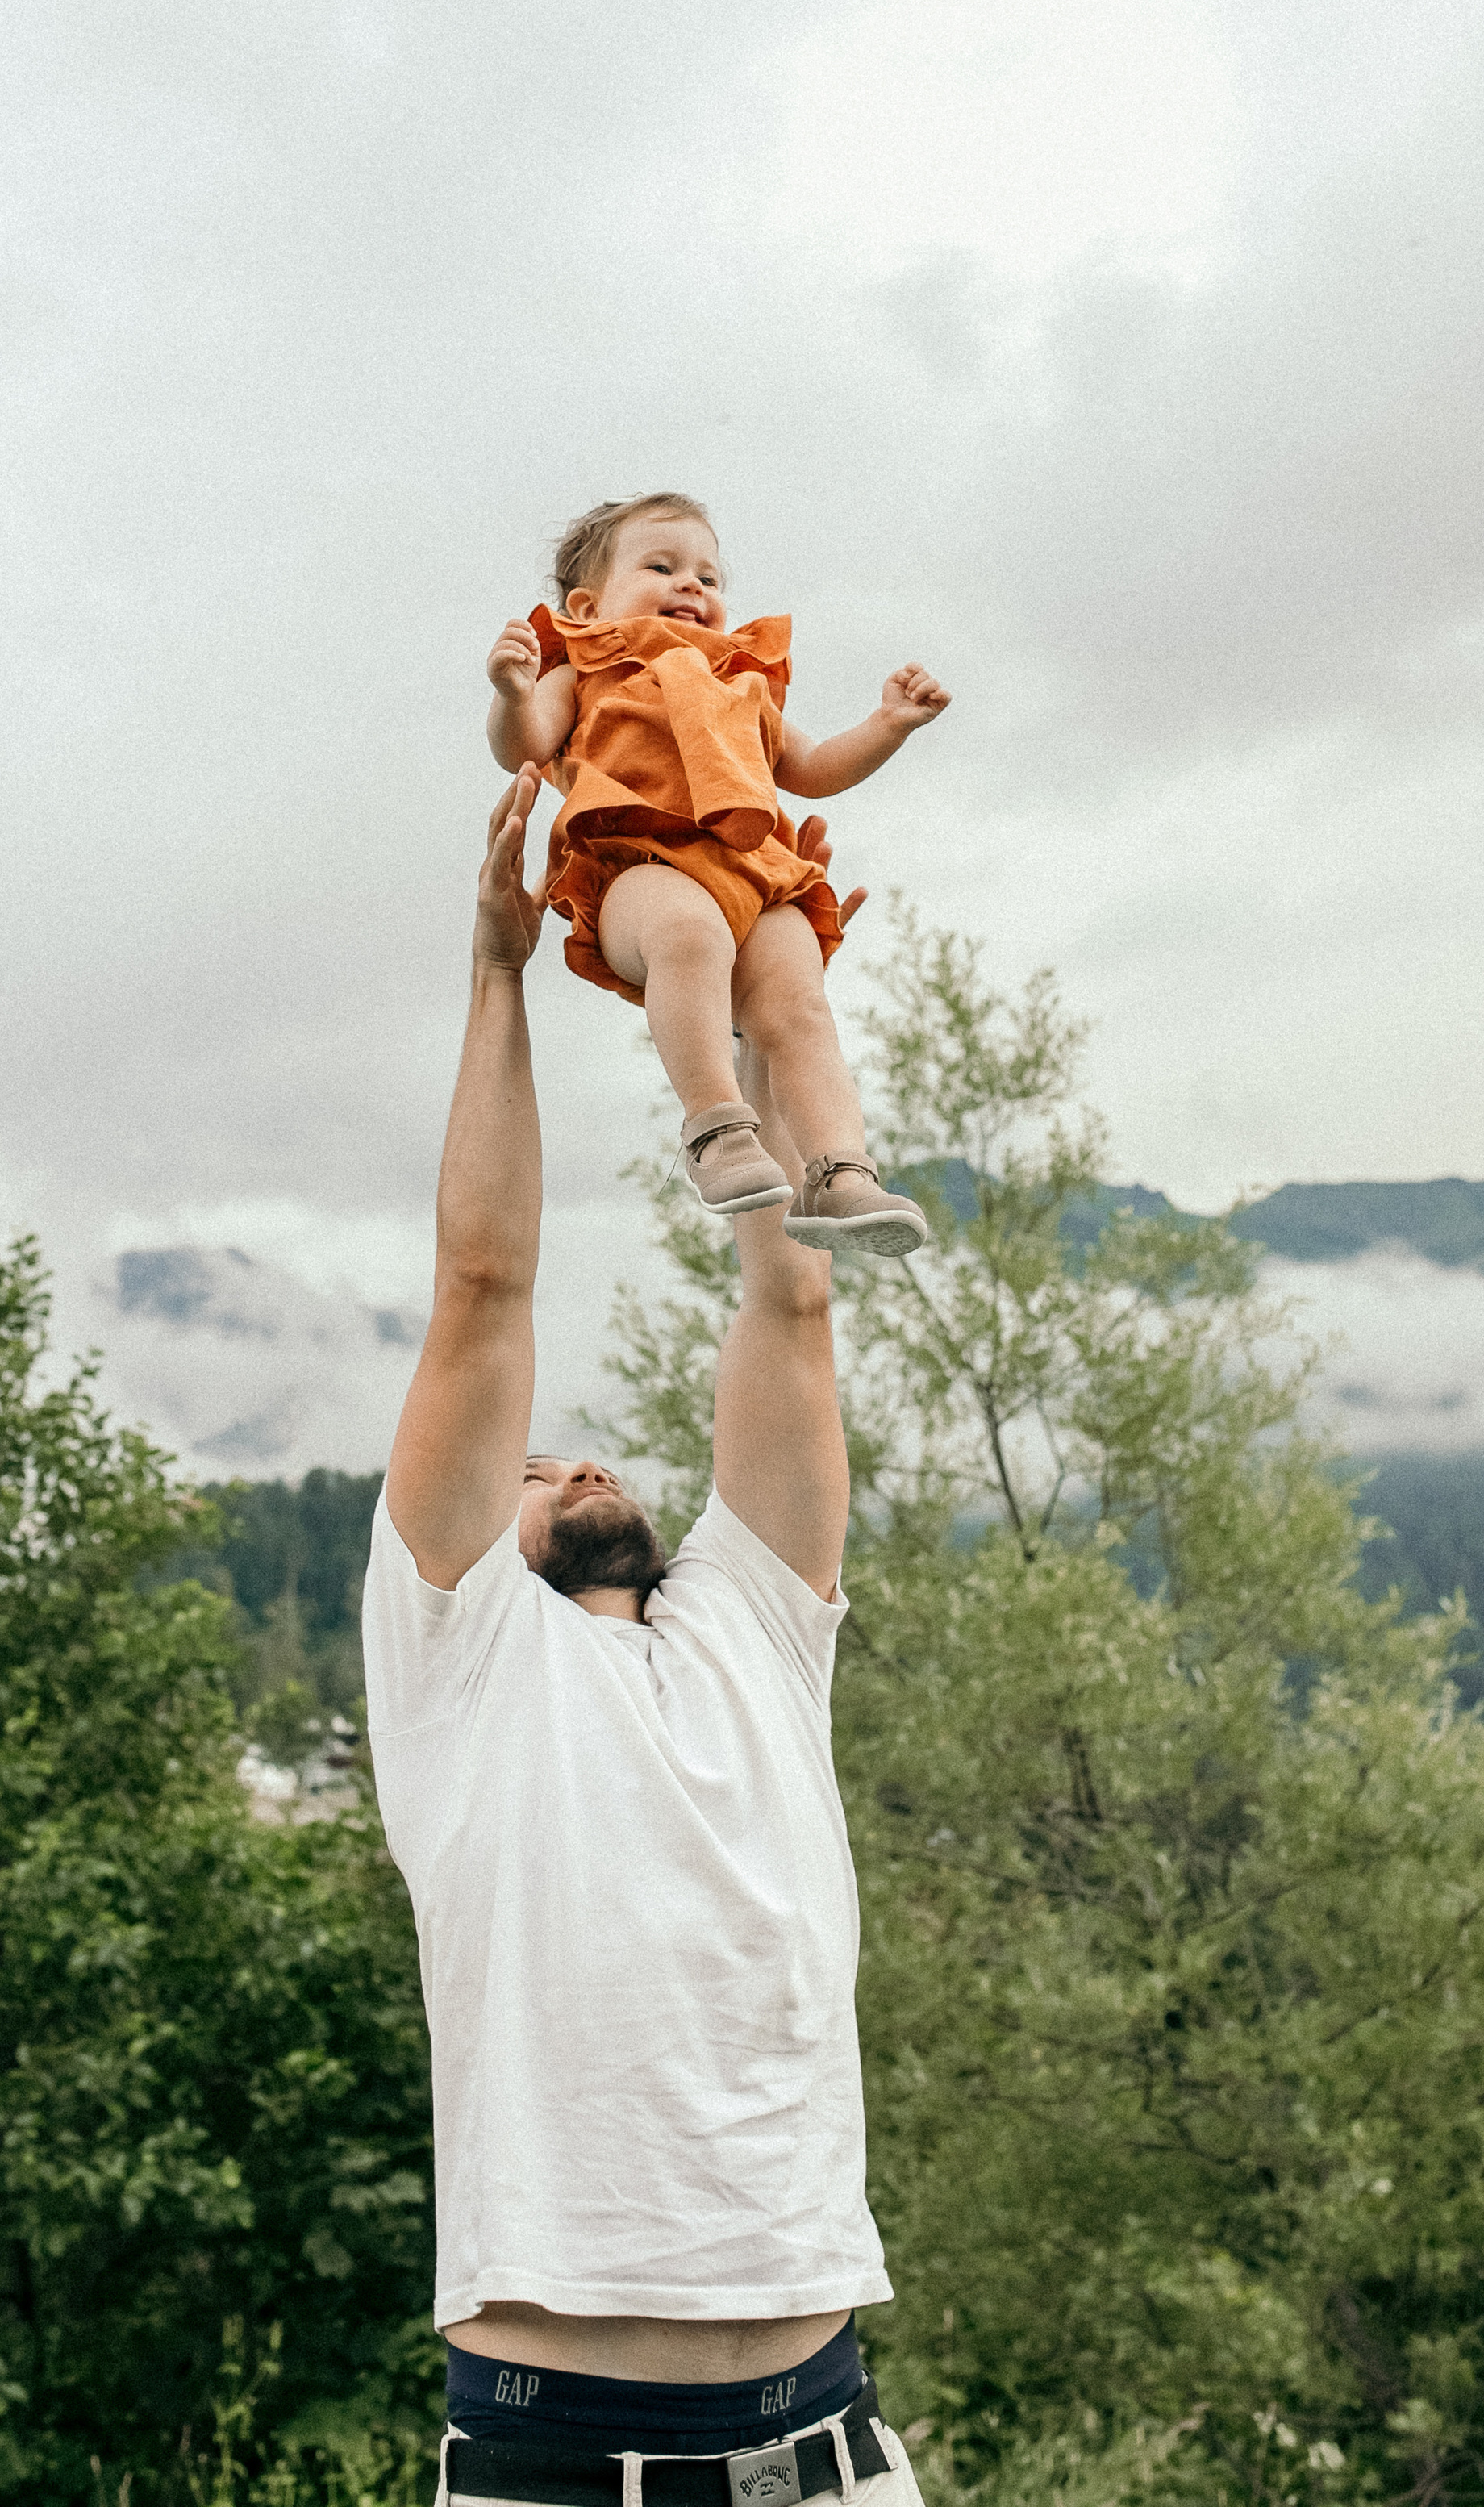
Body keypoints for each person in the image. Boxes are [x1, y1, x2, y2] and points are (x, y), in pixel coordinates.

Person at [362, 769, 928, 2507]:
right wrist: (496, 970)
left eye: (582, 1447)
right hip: (554, 2461)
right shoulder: (464, 1662)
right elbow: (484, 1295)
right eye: (533, 1468)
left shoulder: (754, 1628)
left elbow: (794, 1289)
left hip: (823, 2451)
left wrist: (759, 967)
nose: (570, 1455)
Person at [485, 492, 949, 1259]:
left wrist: (886, 727)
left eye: (709, 575)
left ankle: (838, 1170)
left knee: (800, 1004)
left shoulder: (743, 679)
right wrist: (512, 693)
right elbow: (526, 744)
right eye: (662, 566)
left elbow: (812, 768)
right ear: (589, 605)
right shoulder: (593, 665)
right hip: (639, 857)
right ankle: (717, 1127)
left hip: (754, 867)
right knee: (689, 934)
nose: (692, 586)